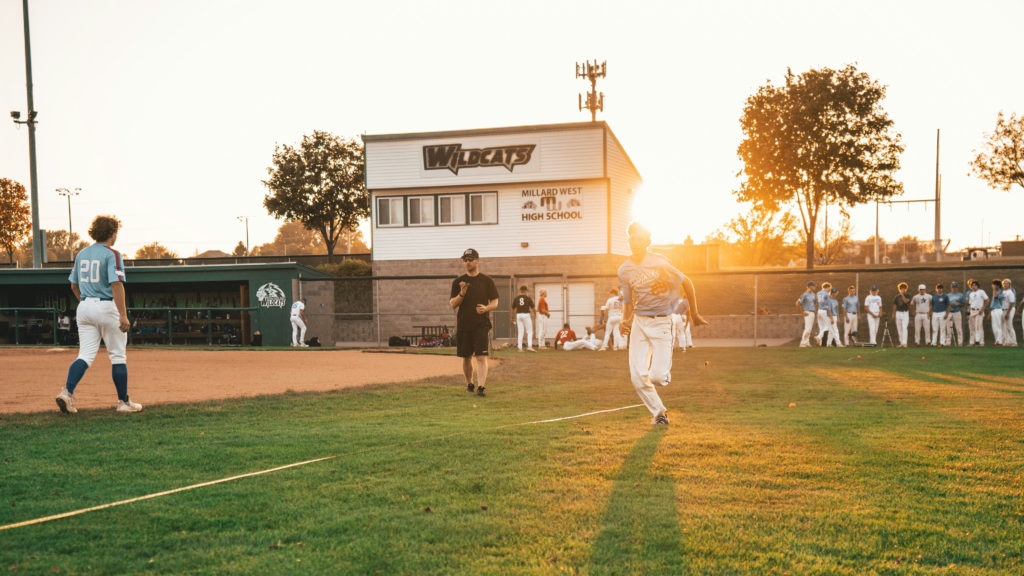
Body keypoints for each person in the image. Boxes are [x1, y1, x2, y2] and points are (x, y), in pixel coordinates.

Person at [618, 222, 707, 426]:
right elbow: (628, 301)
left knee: (657, 377)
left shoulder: (660, 263)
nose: (635, 242)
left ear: (647, 242)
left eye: (640, 239)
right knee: (637, 376)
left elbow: (687, 282)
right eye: (632, 238)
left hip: (662, 323)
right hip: (640, 323)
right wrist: (625, 320)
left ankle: (662, 374)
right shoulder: (624, 270)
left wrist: (694, 312)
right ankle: (659, 413)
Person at [55, 215, 142, 414]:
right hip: (106, 306)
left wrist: (86, 303)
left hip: (85, 306)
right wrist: (123, 315)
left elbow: (73, 285)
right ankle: (123, 402)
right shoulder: (112, 254)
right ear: (112, 233)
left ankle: (66, 393)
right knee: (118, 356)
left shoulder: (82, 253)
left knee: (84, 355)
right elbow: (116, 284)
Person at [449, 248, 499, 397]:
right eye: (465, 260)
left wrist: (486, 308)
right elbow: (453, 304)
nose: (467, 262)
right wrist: (462, 292)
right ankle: (469, 383)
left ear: (478, 260)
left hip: (481, 324)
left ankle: (481, 387)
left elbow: (495, 302)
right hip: (464, 324)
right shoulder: (458, 282)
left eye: (470, 259)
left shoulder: (487, 281)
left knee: (481, 357)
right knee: (466, 357)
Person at [511, 285, 536, 352]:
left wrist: (512, 318)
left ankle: (520, 348)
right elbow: (533, 307)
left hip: (518, 315)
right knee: (529, 331)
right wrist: (535, 314)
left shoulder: (516, 298)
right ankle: (529, 346)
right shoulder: (528, 298)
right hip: (526, 314)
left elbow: (512, 308)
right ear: (526, 291)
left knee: (520, 332)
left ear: (520, 291)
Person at [967, 279, 989, 346]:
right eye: (972, 285)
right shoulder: (971, 294)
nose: (973, 286)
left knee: (978, 326)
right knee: (972, 327)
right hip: (972, 311)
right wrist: (968, 312)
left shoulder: (981, 292)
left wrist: (982, 309)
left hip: (979, 311)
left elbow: (987, 300)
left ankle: (979, 342)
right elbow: (971, 304)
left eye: (975, 285)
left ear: (978, 286)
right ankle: (972, 342)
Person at [796, 281, 817, 347]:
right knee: (807, 328)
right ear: (810, 286)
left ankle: (807, 342)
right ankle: (803, 343)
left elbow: (815, 303)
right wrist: (802, 312)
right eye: (813, 286)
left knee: (809, 329)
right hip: (807, 312)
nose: (814, 287)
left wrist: (814, 311)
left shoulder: (814, 294)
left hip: (812, 312)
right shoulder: (804, 294)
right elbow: (797, 304)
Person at [945, 281, 965, 347]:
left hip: (957, 312)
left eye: (955, 287)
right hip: (950, 312)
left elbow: (963, 304)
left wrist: (958, 304)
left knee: (958, 328)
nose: (954, 288)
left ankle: (960, 342)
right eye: (953, 287)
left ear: (957, 287)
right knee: (948, 328)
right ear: (951, 287)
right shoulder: (948, 295)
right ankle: (948, 342)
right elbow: (946, 304)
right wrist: (950, 305)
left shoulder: (960, 295)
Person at [892, 282, 911, 348]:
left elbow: (906, 301)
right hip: (898, 313)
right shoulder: (896, 297)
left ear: (906, 289)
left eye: (904, 288)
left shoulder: (908, 295)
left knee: (904, 327)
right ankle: (901, 343)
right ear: (899, 289)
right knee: (899, 328)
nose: (903, 289)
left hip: (905, 313)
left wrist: (902, 295)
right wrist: (893, 314)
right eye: (901, 288)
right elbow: (895, 305)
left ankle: (905, 343)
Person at [815, 281, 832, 346]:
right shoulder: (826, 294)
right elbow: (828, 305)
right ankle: (818, 337)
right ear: (827, 287)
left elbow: (816, 302)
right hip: (824, 311)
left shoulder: (818, 293)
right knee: (828, 327)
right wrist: (830, 314)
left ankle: (819, 342)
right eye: (829, 288)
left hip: (819, 310)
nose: (829, 290)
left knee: (821, 328)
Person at [988, 279, 1003, 346]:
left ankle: (999, 341)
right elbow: (993, 303)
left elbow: (995, 297)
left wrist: (994, 289)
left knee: (998, 326)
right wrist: (990, 312)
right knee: (994, 326)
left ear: (997, 285)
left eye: (993, 285)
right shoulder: (995, 291)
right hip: (993, 310)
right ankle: (996, 341)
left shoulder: (1000, 292)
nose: (992, 286)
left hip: (998, 310)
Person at [1000, 278, 1016, 346]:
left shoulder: (1010, 292)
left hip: (1009, 310)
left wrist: (1008, 313)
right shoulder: (1002, 292)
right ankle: (1007, 341)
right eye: (1004, 283)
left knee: (1009, 325)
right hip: (1003, 310)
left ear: (1009, 284)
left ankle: (1014, 342)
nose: (1005, 284)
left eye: (1006, 283)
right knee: (1003, 326)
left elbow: (1012, 303)